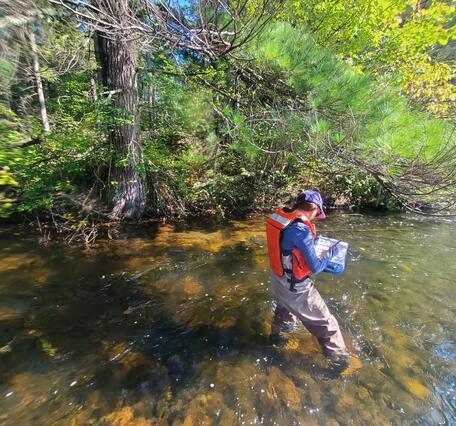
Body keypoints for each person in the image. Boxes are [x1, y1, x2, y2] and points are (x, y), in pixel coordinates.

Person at [266, 189, 349, 366]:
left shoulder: (281, 217)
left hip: (277, 280)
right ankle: (340, 365)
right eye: (317, 214)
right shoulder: (301, 229)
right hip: (295, 287)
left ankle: (278, 341)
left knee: (285, 310)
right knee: (329, 326)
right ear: (314, 209)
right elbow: (316, 267)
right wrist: (329, 253)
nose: (315, 218)